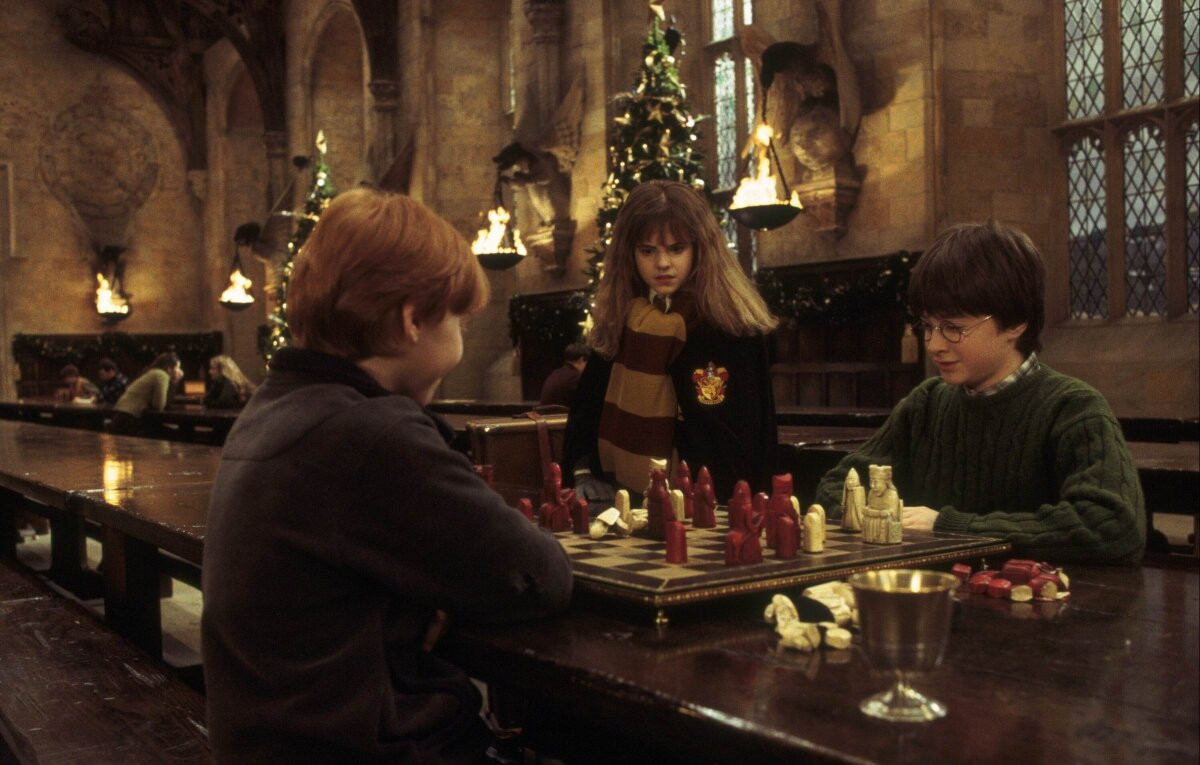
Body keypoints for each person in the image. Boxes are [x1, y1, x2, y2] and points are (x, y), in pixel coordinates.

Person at [201, 187, 573, 763]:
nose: (462, 333)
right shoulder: (369, 433)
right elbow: (539, 575)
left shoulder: (276, 407)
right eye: (459, 317)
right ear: (411, 319)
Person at [813, 221, 1145, 564]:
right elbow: (836, 487)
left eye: (953, 328)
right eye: (928, 326)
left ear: (1016, 323)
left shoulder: (1073, 408)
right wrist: (884, 515)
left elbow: (1113, 527)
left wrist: (951, 527)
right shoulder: (926, 403)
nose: (934, 345)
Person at [561, 180, 778, 504]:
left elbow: (754, 436)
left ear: (699, 249)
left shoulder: (731, 325)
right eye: (648, 251)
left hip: (713, 502)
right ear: (630, 254)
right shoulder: (622, 319)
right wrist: (584, 473)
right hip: (625, 499)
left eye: (676, 249)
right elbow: (586, 414)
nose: (662, 263)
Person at [108, 353, 183, 435]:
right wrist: (175, 381)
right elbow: (159, 405)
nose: (180, 371)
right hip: (129, 421)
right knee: (175, 435)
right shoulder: (161, 375)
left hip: (120, 418)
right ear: (169, 368)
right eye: (178, 367)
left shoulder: (152, 373)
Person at [538, 342, 588, 407]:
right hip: (558, 413)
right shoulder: (575, 377)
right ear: (581, 360)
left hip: (547, 412)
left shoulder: (556, 373)